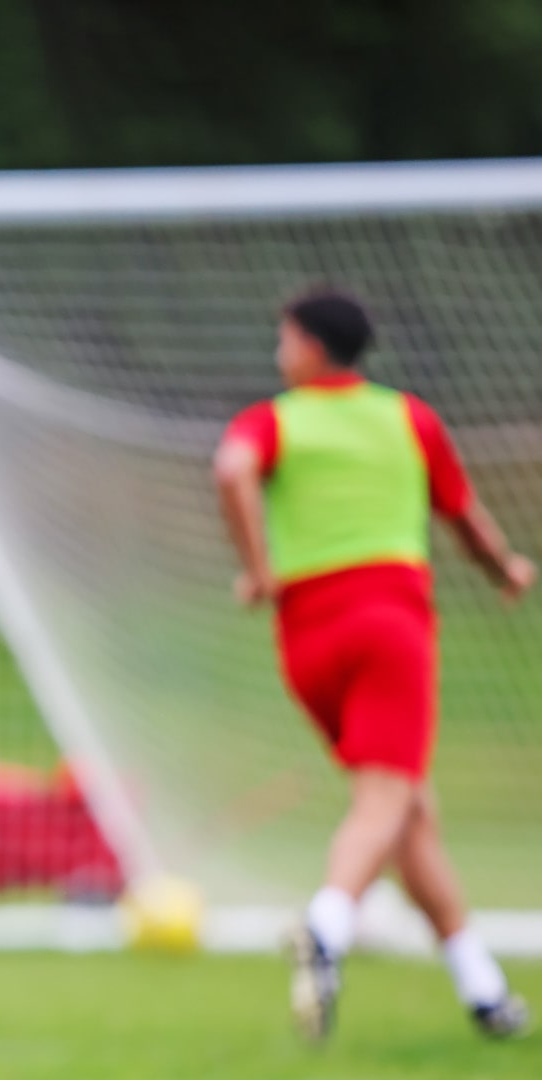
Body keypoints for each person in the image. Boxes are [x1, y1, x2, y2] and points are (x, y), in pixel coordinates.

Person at [213, 288, 534, 1042]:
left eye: (284, 338)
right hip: (389, 628)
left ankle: (483, 990)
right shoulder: (408, 417)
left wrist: (259, 571)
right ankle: (327, 924)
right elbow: (468, 520)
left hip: (307, 644)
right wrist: (508, 571)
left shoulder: (274, 419)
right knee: (386, 800)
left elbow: (232, 471)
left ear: (313, 347)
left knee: (409, 811)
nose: (277, 353)